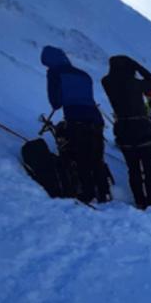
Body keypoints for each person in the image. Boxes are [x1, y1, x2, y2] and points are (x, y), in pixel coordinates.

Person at [41, 45, 109, 203]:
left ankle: (88, 193)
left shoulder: (55, 73)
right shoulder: (83, 74)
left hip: (76, 119)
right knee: (97, 158)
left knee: (81, 158)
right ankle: (103, 192)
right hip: (96, 118)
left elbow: (56, 103)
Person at [102, 55, 151, 209]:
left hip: (124, 130)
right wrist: (137, 66)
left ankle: (140, 201)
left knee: (133, 169)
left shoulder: (107, 82)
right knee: (149, 168)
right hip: (142, 129)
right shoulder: (135, 83)